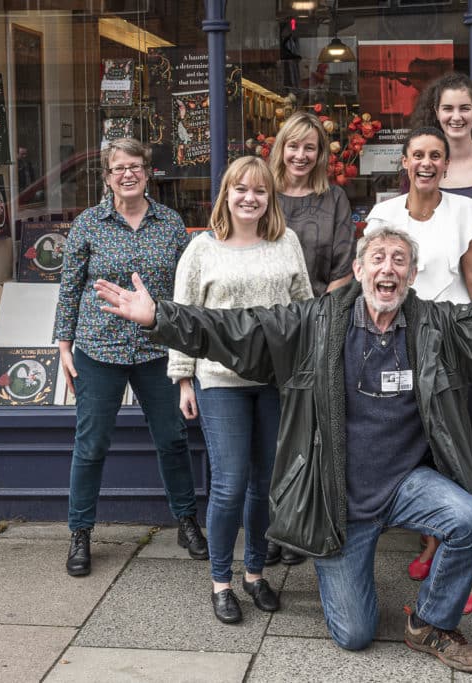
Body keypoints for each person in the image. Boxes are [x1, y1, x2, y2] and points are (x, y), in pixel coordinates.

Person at [92, 226, 472, 674]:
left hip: (405, 485)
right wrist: (159, 318)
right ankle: (345, 574)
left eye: (400, 260)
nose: (388, 268)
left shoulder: (435, 325)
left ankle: (429, 621)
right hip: (340, 502)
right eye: (377, 258)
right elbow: (237, 329)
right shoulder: (314, 323)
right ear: (358, 271)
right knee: (355, 637)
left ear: (411, 274)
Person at [52, 137, 206, 577]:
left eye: (135, 166)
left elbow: (183, 294)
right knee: (92, 444)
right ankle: (80, 533)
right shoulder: (88, 224)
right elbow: (70, 287)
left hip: (156, 348)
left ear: (147, 172)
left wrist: (186, 358)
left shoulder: (170, 224)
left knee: (172, 439)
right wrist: (64, 345)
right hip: (99, 349)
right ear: (107, 176)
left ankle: (186, 520)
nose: (128, 174)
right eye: (119, 167)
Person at [168, 155, 312, 625]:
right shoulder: (202, 250)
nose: (250, 199)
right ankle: (221, 583)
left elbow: (305, 310)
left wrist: (307, 373)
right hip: (219, 382)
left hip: (273, 381)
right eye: (241, 190)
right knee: (228, 485)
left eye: (260, 191)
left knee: (265, 483)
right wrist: (184, 377)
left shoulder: (285, 242)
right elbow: (182, 316)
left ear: (270, 198)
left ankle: (254, 574)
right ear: (226, 195)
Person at [364, 126, 472, 610]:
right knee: (416, 448)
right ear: (404, 162)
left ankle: (469, 567)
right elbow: (373, 274)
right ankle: (433, 540)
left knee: (464, 449)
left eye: (435, 155)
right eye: (417, 154)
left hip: (456, 343)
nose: (426, 162)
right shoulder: (383, 214)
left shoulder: (466, 212)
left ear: (446, 165)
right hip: (399, 345)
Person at [266, 110, 358, 567]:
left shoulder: (334, 198)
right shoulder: (261, 194)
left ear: (321, 154)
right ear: (280, 147)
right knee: (272, 434)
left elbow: (345, 267)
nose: (301, 155)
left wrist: (320, 322)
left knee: (311, 433)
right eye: (294, 145)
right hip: (268, 330)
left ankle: (302, 524)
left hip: (319, 328)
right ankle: (271, 527)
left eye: (311, 147)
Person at [408, 72, 472, 235]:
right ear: (437, 112)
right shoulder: (421, 167)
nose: (456, 117)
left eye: (464, 108)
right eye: (448, 108)